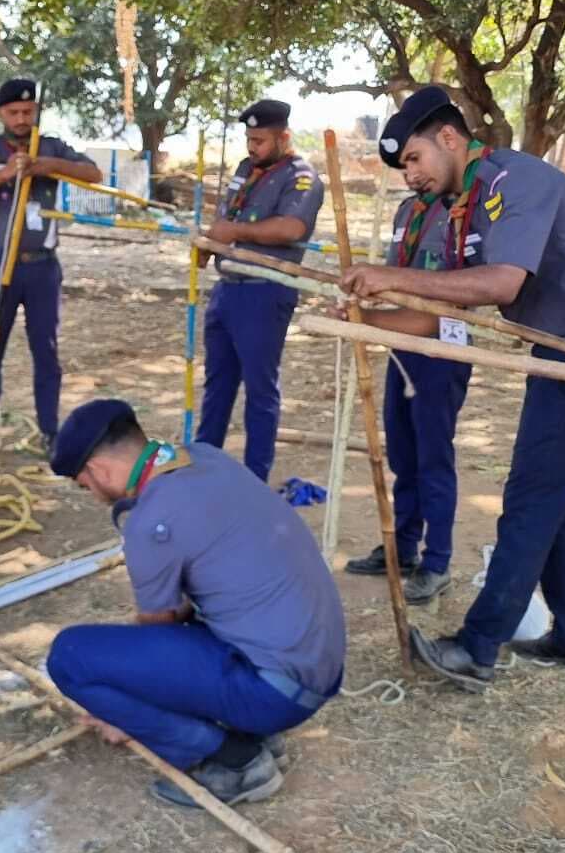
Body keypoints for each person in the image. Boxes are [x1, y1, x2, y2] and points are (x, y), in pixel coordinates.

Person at [340, 85, 565, 692]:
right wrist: (363, 321)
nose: (411, 177)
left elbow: (500, 284)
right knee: (548, 499)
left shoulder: (514, 180)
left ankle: (479, 647)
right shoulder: (463, 207)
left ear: (449, 138)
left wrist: (386, 276)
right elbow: (441, 312)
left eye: (415, 159)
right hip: (557, 351)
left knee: (530, 501)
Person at [44, 399, 345, 806]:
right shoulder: (204, 457)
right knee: (196, 620)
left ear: (97, 470)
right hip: (315, 670)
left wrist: (127, 710)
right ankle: (251, 728)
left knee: (71, 656)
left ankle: (235, 760)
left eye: (85, 485)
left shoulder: (151, 522)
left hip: (276, 691)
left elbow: (158, 629)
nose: (94, 495)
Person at [0, 79, 102, 458]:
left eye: (27, 112)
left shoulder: (50, 147)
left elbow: (94, 174)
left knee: (45, 351)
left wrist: (47, 165)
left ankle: (51, 432)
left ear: (37, 113)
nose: (21, 119)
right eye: (13, 112)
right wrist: (3, 173)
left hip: (42, 268)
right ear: (0, 113)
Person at [344, 178, 471, 604]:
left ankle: (437, 563)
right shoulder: (408, 211)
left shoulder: (462, 211)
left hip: (442, 352)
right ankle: (401, 548)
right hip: (404, 348)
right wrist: (360, 306)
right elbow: (390, 281)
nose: (410, 172)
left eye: (416, 158)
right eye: (403, 164)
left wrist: (368, 322)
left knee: (433, 457)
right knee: (403, 452)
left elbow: (453, 306)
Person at [194, 98, 324, 482]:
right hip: (227, 289)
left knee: (259, 390)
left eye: (260, 140)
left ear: (284, 137)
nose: (252, 147)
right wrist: (210, 244)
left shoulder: (301, 176)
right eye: (249, 139)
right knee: (217, 385)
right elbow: (226, 217)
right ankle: (204, 465)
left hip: (265, 293)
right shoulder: (245, 169)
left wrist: (234, 233)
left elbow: (291, 229)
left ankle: (255, 478)